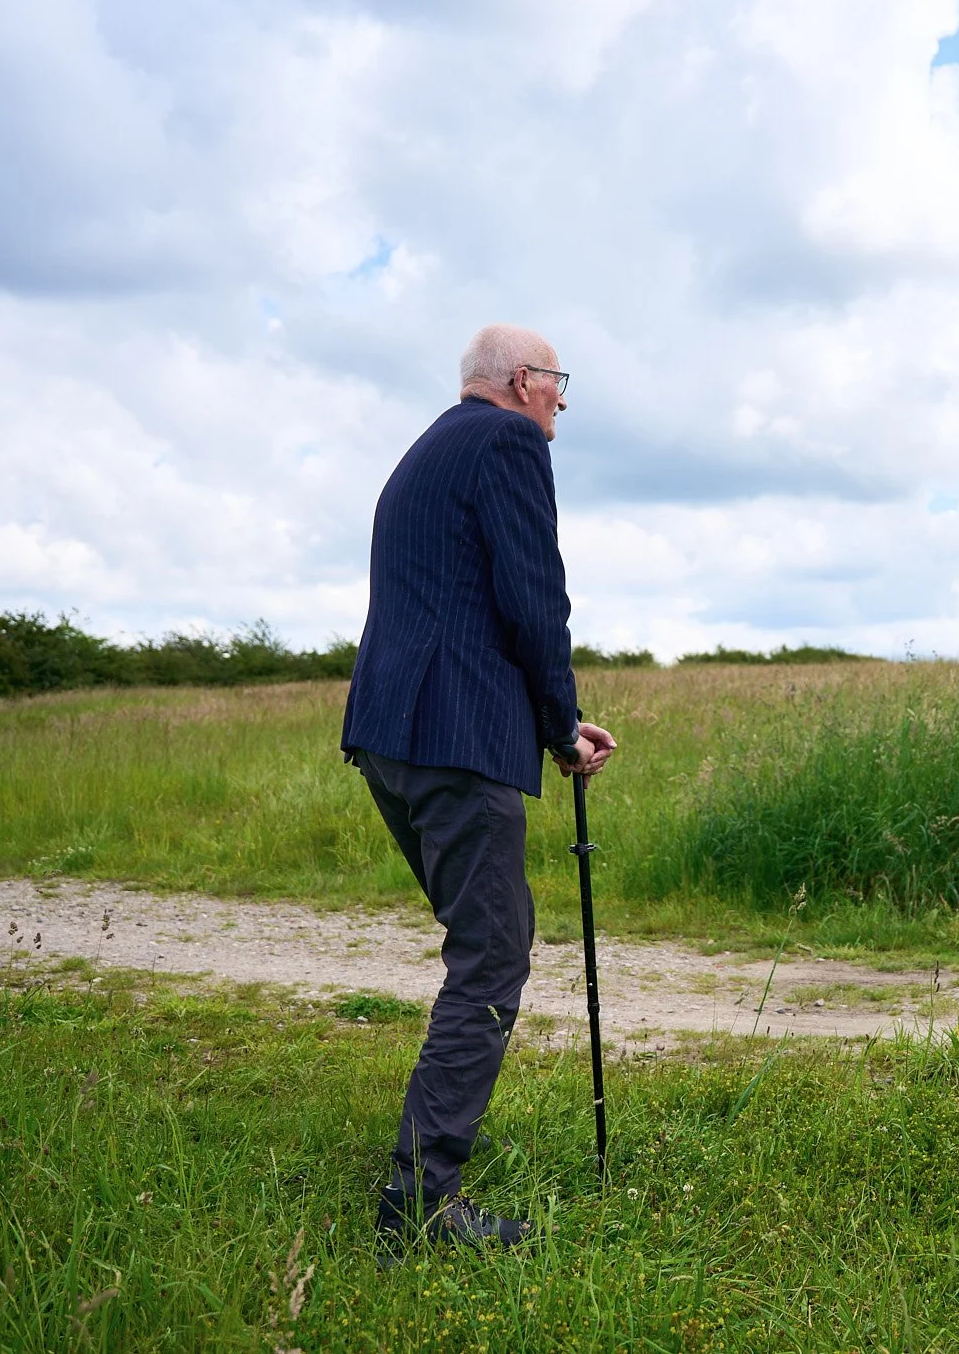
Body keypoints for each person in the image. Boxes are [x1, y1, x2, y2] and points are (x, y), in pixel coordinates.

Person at [341, 323, 617, 1251]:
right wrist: (559, 725)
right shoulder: (507, 440)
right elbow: (534, 595)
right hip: (458, 736)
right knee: (493, 958)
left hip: (392, 733)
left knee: (480, 946)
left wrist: (551, 721)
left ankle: (425, 1177)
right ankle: (419, 1207)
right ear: (521, 380)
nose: (562, 402)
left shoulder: (424, 450)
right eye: (557, 381)